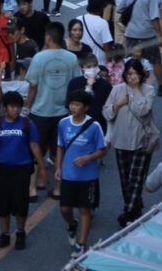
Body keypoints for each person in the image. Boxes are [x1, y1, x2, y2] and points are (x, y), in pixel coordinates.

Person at [0, 91, 46, 250]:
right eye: (12, 107)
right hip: (3, 168)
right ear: (5, 107)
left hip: (23, 169)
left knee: (20, 202)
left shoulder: (27, 124)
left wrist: (43, 168)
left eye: (18, 107)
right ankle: (4, 234)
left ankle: (20, 233)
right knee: (2, 203)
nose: (16, 110)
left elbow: (34, 146)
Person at [26, 21, 79, 197]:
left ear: (48, 38)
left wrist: (27, 107)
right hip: (63, 113)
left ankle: (32, 188)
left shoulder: (39, 58)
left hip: (40, 111)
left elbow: (32, 86)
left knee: (34, 149)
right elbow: (76, 85)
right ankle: (58, 188)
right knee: (60, 151)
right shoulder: (71, 58)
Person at [104, 58, 156, 228]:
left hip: (141, 141)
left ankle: (127, 213)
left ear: (141, 74)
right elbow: (106, 113)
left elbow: (143, 110)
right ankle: (135, 207)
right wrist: (118, 105)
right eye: (129, 73)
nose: (132, 76)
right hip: (120, 141)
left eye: (135, 73)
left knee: (136, 179)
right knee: (125, 180)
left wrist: (135, 91)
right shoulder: (117, 90)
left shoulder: (148, 90)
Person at [56, 89, 108, 255]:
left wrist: (87, 159)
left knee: (85, 210)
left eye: (77, 104)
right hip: (68, 175)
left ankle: (81, 244)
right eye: (72, 104)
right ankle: (72, 225)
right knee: (65, 209)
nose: (73, 107)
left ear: (86, 107)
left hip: (88, 176)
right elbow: (60, 146)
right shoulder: (63, 123)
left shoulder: (94, 126)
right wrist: (58, 167)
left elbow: (103, 150)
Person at [122, 0, 162, 94]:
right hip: (148, 35)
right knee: (155, 60)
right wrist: (159, 36)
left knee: (131, 60)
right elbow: (154, 17)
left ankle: (129, 85)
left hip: (131, 33)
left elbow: (120, 8)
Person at [65, 55, 110, 125]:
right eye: (88, 67)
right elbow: (70, 105)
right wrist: (89, 87)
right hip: (79, 123)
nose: (92, 69)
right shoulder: (74, 83)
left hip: (99, 124)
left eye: (95, 66)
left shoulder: (106, 85)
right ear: (82, 68)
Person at [79, 0, 113, 68]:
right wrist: (109, 61)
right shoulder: (103, 23)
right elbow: (106, 44)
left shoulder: (79, 19)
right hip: (98, 61)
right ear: (100, 8)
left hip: (82, 59)